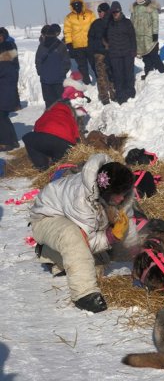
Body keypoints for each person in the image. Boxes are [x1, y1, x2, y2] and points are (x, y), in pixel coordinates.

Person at [30, 154, 139, 313]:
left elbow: (126, 218)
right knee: (72, 236)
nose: (123, 197)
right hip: (47, 218)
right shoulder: (81, 198)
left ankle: (49, 254)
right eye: (119, 194)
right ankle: (84, 294)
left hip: (74, 218)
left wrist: (136, 249)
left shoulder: (116, 193)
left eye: (125, 192)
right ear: (106, 191)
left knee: (97, 265)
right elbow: (86, 241)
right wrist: (111, 237)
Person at [22, 99, 82, 171]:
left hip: (46, 139)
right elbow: (76, 135)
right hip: (65, 145)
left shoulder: (49, 112)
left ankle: (42, 166)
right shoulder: (70, 116)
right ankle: (57, 163)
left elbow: (37, 126)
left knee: (28, 138)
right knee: (59, 156)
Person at [131, 0, 164, 79]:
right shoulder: (135, 7)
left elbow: (155, 20)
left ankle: (163, 72)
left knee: (154, 56)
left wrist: (155, 34)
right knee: (145, 58)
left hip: (150, 37)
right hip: (139, 39)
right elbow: (132, 22)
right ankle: (148, 74)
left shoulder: (150, 6)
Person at [106, 1, 137, 104]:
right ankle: (121, 97)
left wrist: (134, 51)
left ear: (120, 11)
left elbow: (133, 37)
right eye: (113, 12)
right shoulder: (108, 24)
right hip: (115, 55)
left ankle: (130, 94)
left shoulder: (127, 22)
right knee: (118, 76)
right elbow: (102, 36)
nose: (115, 13)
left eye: (117, 11)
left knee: (128, 75)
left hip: (127, 53)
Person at [35, 24, 71, 108]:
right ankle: (62, 119)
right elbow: (66, 62)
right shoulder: (61, 45)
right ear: (55, 34)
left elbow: (38, 61)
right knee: (61, 102)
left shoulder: (41, 46)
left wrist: (41, 73)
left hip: (45, 81)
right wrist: (62, 73)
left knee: (49, 103)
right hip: (59, 80)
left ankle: (51, 119)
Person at [64, 0, 96, 85]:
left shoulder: (90, 14)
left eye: (78, 3)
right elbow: (67, 31)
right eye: (74, 3)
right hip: (77, 46)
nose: (76, 5)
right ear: (71, 5)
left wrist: (95, 40)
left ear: (82, 3)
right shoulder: (69, 17)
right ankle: (87, 82)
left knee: (95, 64)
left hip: (90, 44)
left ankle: (99, 81)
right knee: (82, 66)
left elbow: (95, 27)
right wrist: (69, 44)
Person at [88, 2, 115, 105]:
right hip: (99, 54)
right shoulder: (95, 24)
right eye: (98, 11)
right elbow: (90, 40)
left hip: (111, 53)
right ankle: (105, 98)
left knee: (112, 75)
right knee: (101, 77)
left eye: (100, 11)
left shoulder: (113, 22)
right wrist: (92, 53)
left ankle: (114, 95)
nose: (99, 13)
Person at [0, 27, 20, 152]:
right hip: (7, 85)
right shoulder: (9, 46)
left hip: (5, 86)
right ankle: (13, 141)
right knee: (3, 115)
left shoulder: (7, 47)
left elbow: (6, 68)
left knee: (1, 115)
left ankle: (7, 142)